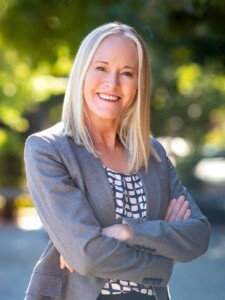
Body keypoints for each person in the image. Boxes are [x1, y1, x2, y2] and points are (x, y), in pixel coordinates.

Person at [24, 22, 210, 300]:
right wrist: (164, 253)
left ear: (139, 83)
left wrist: (127, 231)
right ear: (82, 72)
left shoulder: (153, 154)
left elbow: (198, 235)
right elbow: (87, 255)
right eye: (101, 67)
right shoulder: (49, 150)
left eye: (127, 73)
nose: (113, 83)